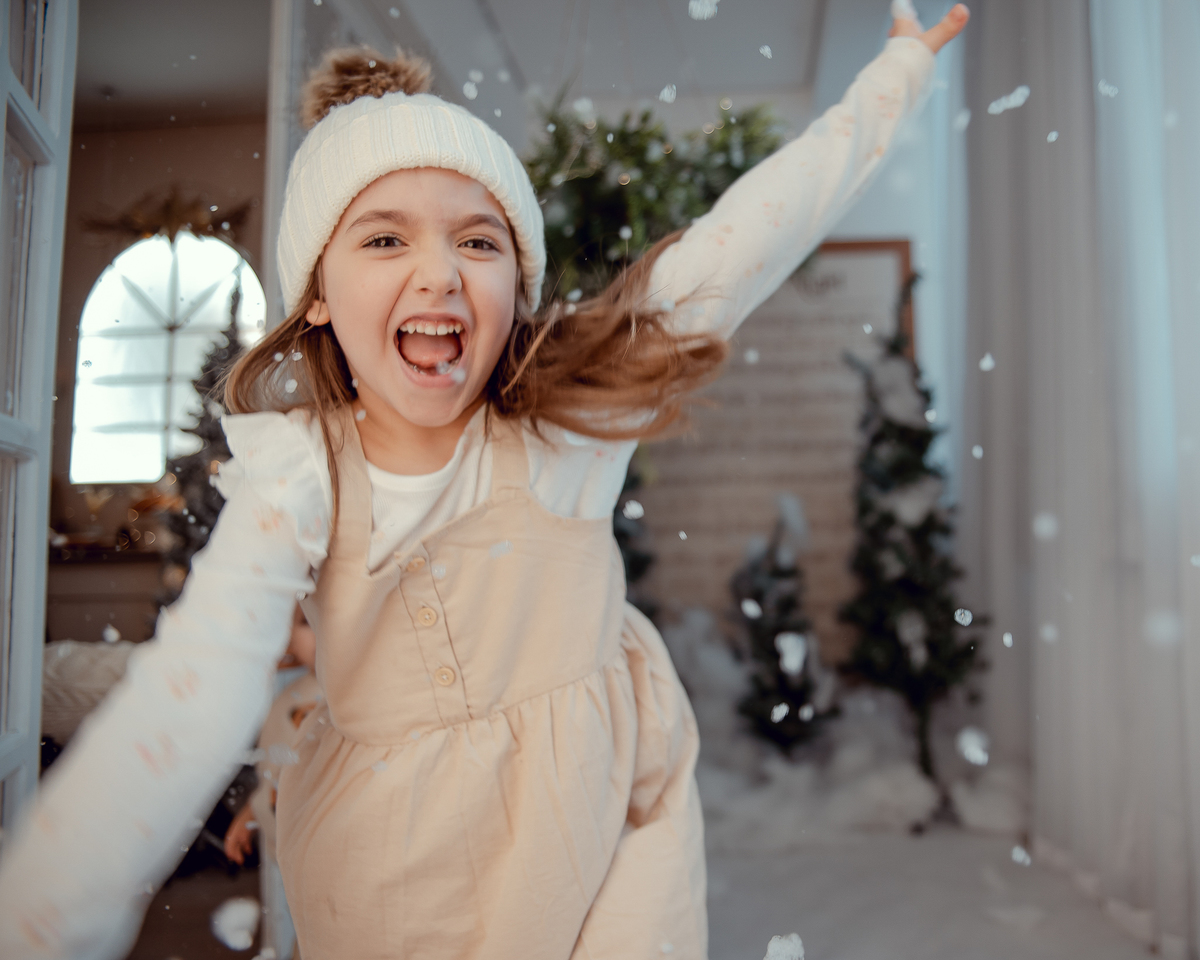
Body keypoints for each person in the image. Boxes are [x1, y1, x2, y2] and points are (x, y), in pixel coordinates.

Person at [0, 5, 968, 957]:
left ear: (517, 287)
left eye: (478, 241)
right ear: (320, 297)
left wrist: (892, 82)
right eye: (385, 239)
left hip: (595, 825)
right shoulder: (296, 475)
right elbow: (200, 671)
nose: (440, 274)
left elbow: (741, 242)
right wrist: (50, 905)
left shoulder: (567, 429)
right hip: (386, 867)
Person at [224, 606, 319, 960]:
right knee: (298, 933)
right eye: (307, 622)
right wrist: (251, 813)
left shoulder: (349, 701)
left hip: (329, 852)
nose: (324, 628)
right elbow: (274, 772)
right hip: (288, 853)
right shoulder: (288, 696)